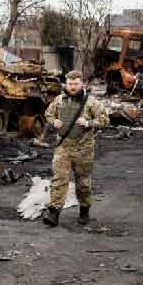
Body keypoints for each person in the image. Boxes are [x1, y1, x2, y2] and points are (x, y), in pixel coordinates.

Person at [41, 70, 109, 227]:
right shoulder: (59, 100)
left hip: (83, 148)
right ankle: (53, 214)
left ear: (82, 84)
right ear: (66, 83)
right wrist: (54, 122)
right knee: (59, 179)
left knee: (83, 182)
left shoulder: (91, 102)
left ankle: (84, 210)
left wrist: (88, 123)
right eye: (70, 83)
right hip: (63, 147)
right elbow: (48, 114)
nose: (72, 87)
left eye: (75, 84)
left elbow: (105, 120)